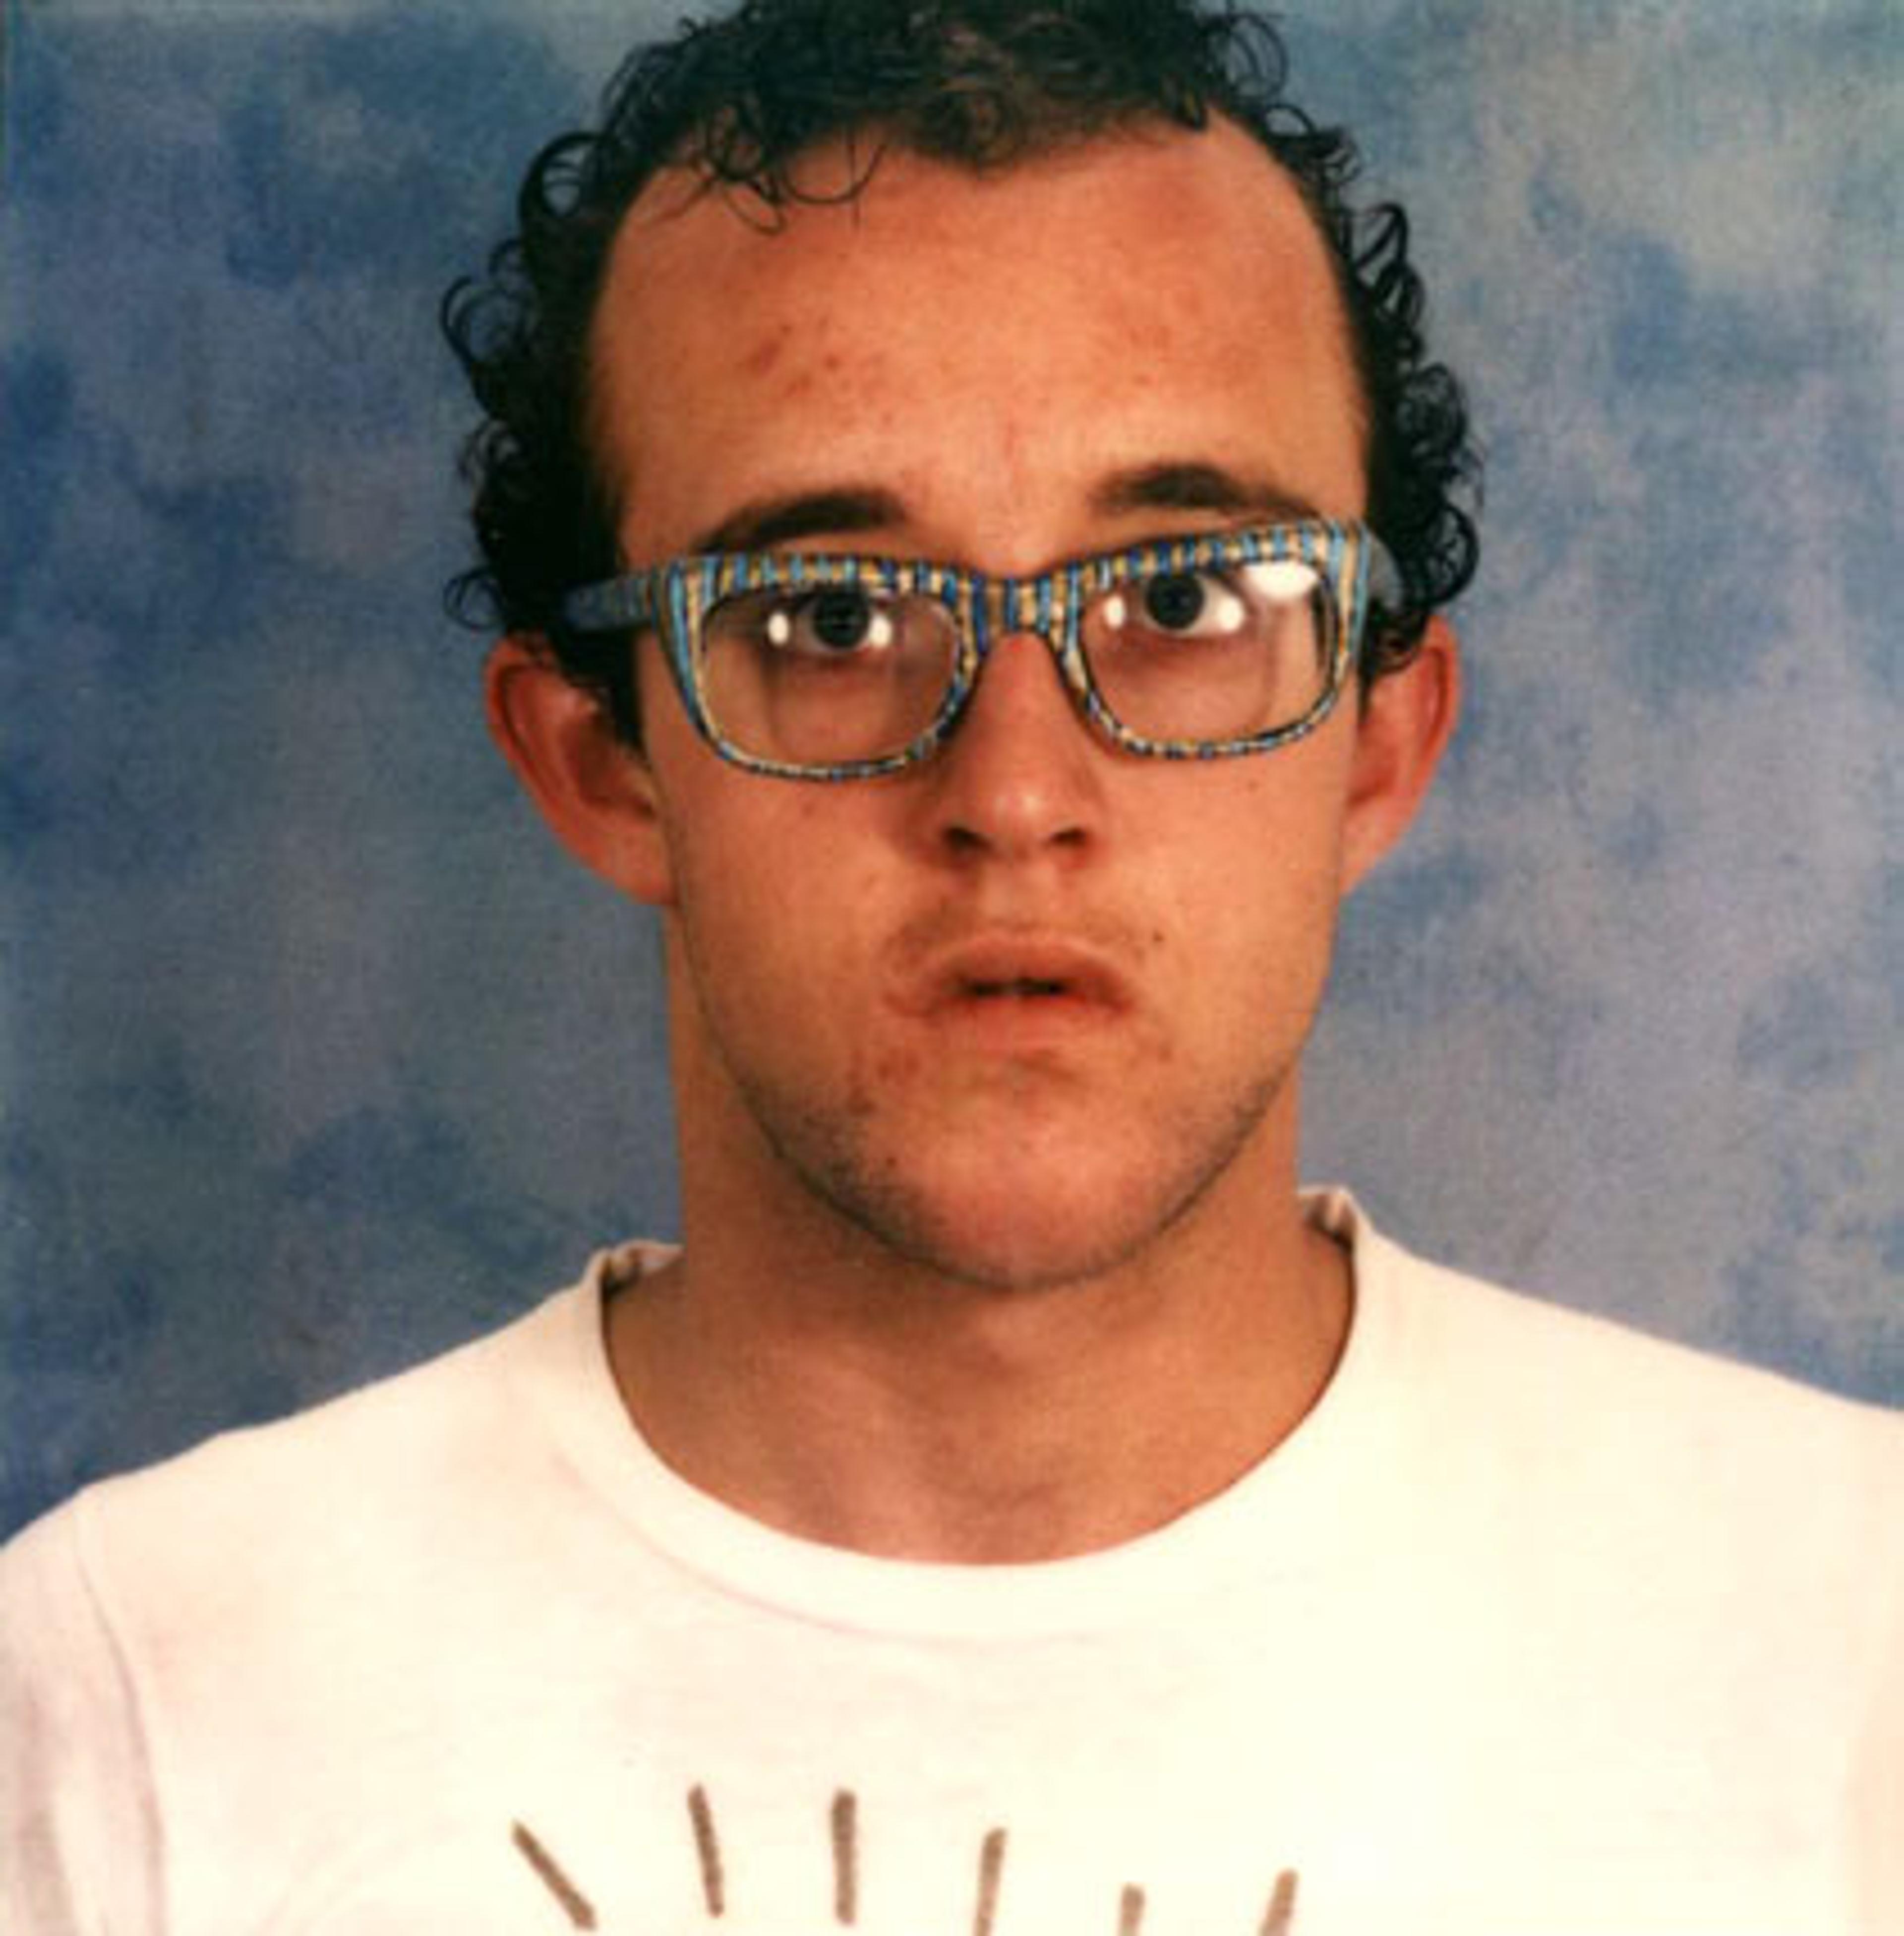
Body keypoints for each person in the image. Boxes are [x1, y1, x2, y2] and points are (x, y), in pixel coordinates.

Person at [2, 1, 1898, 1930]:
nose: (1013, 788)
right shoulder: (127, 1700)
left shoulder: (1849, 1641)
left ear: (1379, 745)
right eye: (829, 614)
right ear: (600, 761)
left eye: (1183, 595)